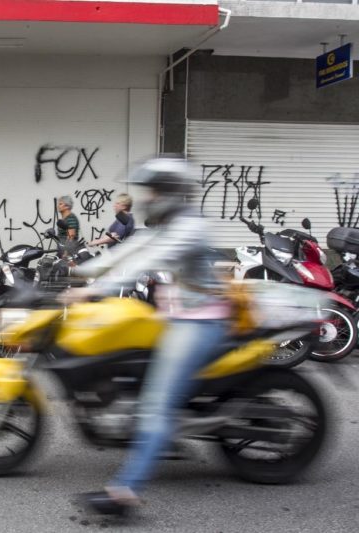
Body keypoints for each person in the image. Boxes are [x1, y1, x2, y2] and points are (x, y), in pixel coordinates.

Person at [67, 157, 231, 516]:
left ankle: (125, 491)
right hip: (174, 318)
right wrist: (80, 274)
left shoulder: (189, 228)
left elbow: (146, 260)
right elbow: (130, 249)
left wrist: (96, 290)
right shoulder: (171, 225)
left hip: (199, 324)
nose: (149, 197)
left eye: (154, 190)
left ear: (171, 193)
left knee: (157, 403)